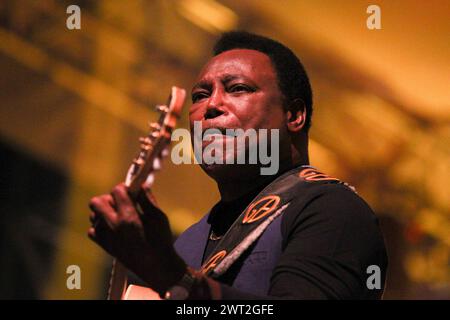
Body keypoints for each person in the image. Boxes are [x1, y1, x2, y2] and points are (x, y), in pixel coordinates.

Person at [88, 31, 388, 300]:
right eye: (200, 95)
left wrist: (173, 276)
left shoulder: (335, 212)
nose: (211, 105)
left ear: (294, 115)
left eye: (238, 88)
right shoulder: (190, 241)